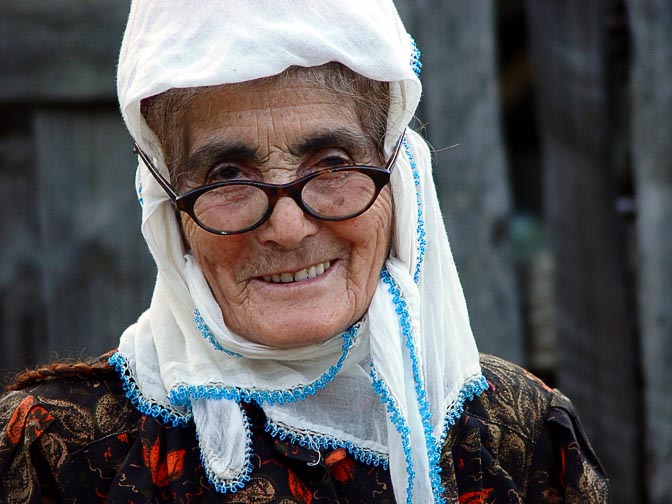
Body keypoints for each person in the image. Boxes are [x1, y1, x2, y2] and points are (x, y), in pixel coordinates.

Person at [0, 2, 609, 502]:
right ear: (168, 208)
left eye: (333, 165)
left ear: (398, 181)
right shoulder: (58, 454)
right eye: (229, 174)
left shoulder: (523, 440)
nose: (288, 228)